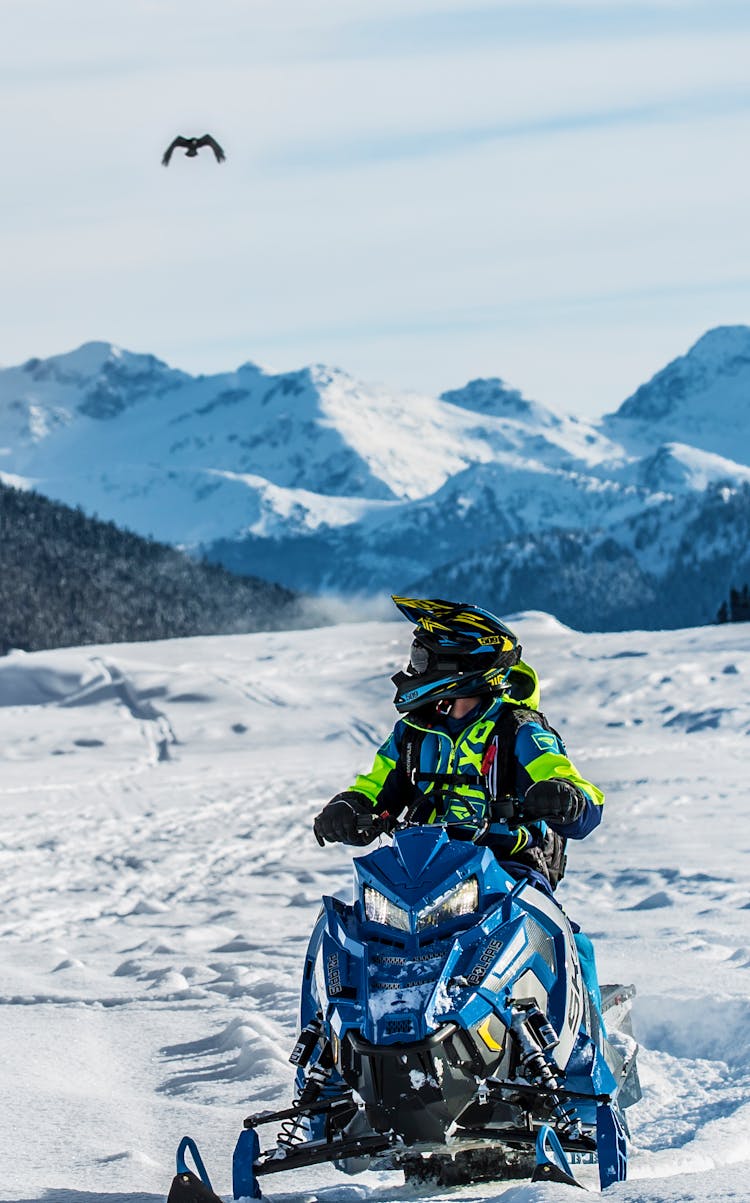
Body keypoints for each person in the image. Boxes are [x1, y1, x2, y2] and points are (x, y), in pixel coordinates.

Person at [313, 595, 605, 1012]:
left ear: (458, 666)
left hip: (506, 866)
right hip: (420, 867)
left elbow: (568, 779)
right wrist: (348, 807)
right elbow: (376, 783)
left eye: (421, 658)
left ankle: (584, 1045)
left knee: (562, 936)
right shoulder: (412, 732)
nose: (412, 669)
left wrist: (564, 795)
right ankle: (336, 1037)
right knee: (355, 932)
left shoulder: (518, 729)